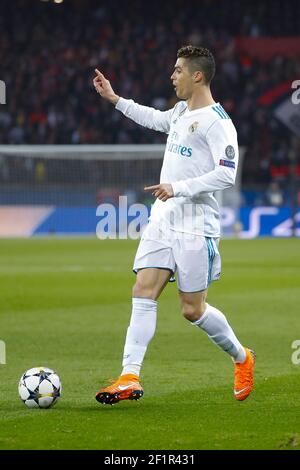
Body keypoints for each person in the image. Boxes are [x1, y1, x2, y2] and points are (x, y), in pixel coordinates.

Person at [93, 45, 255, 405]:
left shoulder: (218, 122)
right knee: (143, 290)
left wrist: (177, 187)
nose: (172, 75)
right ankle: (129, 377)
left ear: (197, 76)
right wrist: (115, 99)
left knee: (191, 309)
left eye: (178, 70)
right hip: (163, 220)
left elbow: (227, 175)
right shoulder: (181, 111)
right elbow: (153, 117)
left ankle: (242, 358)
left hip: (196, 226)